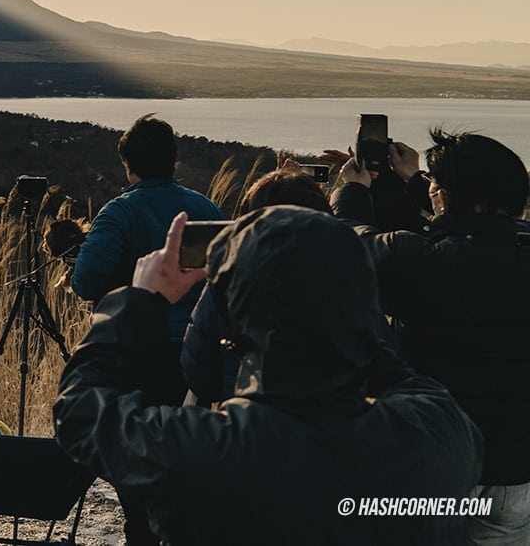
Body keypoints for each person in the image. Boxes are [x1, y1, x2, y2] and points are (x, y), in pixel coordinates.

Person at [55, 206, 484, 545]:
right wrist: (343, 295)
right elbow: (389, 366)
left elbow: (79, 409)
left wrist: (143, 299)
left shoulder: (197, 452)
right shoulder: (437, 435)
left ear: (232, 316)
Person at [332, 131, 530, 544]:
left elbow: (350, 244)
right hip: (516, 473)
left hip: (433, 463)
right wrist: (421, 182)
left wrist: (351, 191)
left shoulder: (416, 260)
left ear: (442, 195)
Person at [69, 114, 225, 545]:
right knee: (182, 454)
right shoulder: (206, 209)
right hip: (198, 351)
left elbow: (84, 281)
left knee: (139, 451)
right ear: (173, 161)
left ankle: (143, 531)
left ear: (128, 164)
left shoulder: (118, 212)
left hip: (141, 352)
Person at [181, 165, 330, 405]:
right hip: (332, 428)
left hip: (247, 422)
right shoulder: (345, 280)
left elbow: (198, 367)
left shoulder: (227, 281)